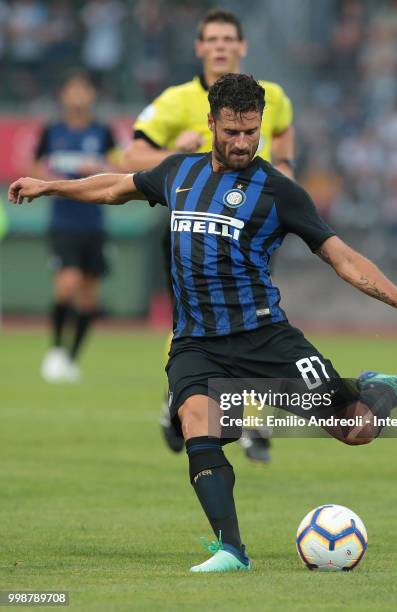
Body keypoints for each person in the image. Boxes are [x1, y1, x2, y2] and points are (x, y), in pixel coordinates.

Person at [9, 74, 397, 573]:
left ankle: (382, 388)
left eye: (251, 132)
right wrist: (52, 186)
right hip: (196, 342)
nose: (242, 143)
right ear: (211, 124)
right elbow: (115, 186)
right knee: (195, 422)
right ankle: (231, 551)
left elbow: (344, 259)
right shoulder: (179, 172)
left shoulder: (280, 192)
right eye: (232, 132)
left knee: (357, 430)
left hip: (264, 337)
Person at [123, 7, 295, 463]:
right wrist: (168, 149)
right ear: (199, 47)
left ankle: (246, 419)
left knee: (255, 319)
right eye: (212, 39)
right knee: (193, 320)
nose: (220, 46)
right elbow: (131, 152)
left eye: (228, 39)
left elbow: (284, 133)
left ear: (243, 46)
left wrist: (289, 170)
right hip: (192, 231)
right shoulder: (177, 99)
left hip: (251, 229)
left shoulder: (273, 95)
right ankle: (183, 396)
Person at [29, 70, 116, 382]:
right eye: (72, 89)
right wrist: (61, 176)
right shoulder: (52, 131)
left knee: (89, 297)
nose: (78, 95)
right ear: (63, 95)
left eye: (84, 89)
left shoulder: (103, 132)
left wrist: (99, 168)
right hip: (63, 221)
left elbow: (117, 166)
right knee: (67, 284)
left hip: (94, 223)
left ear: (92, 95)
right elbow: (35, 167)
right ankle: (54, 350)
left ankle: (70, 358)